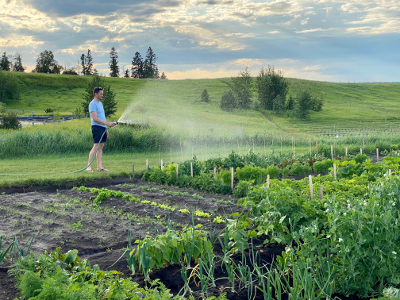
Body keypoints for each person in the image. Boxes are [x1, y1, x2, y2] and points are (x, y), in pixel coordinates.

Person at [87, 87, 116, 172]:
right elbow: (95, 118)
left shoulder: (100, 103)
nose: (102, 95)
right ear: (96, 94)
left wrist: (106, 129)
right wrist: (107, 124)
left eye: (102, 94)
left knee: (101, 146)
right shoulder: (92, 104)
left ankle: (99, 166)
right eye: (101, 94)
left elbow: (102, 116)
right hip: (96, 127)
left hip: (102, 127)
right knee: (96, 146)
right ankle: (89, 166)